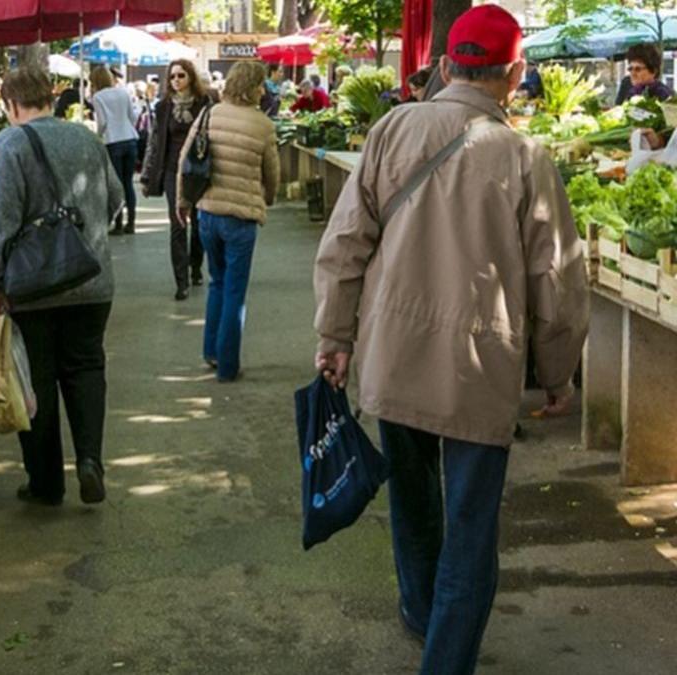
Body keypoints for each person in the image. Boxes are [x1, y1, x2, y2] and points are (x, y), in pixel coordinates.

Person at [312, 7, 588, 674]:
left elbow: (345, 243)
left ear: (443, 66)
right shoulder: (525, 157)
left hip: (393, 352)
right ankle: (445, 655)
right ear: (515, 75)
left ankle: (419, 611)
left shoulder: (392, 129)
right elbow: (557, 277)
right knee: (470, 528)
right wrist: (557, 374)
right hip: (478, 366)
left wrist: (335, 334)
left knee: (412, 503)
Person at [0, 66, 123, 507]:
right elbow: (116, 197)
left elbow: (0, 219)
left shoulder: (11, 144)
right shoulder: (86, 138)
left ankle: (45, 483)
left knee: (35, 380)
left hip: (34, 285)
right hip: (92, 278)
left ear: (11, 104)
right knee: (86, 368)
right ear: (50, 97)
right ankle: (90, 461)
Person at [176, 61, 278, 382]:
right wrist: (268, 198)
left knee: (217, 283)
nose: (263, 90)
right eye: (261, 85)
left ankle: (211, 351)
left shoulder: (210, 114)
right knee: (235, 290)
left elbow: (185, 159)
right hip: (241, 219)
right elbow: (272, 173)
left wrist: (183, 201)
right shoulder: (263, 125)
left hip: (208, 213)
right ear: (255, 87)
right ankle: (228, 365)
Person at [142, 58, 212, 300]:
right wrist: (148, 175)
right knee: (177, 224)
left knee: (199, 224)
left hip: (198, 171)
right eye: (172, 76)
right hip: (172, 171)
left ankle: (195, 266)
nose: (176, 80)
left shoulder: (204, 103)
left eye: (181, 75)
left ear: (190, 77)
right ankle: (181, 281)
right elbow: (154, 141)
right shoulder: (164, 107)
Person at [90, 66, 140, 236]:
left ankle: (118, 223)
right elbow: (133, 116)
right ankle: (131, 222)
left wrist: (97, 136)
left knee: (115, 185)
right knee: (128, 183)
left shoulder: (98, 97)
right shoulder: (123, 93)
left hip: (112, 141)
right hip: (130, 139)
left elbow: (102, 122)